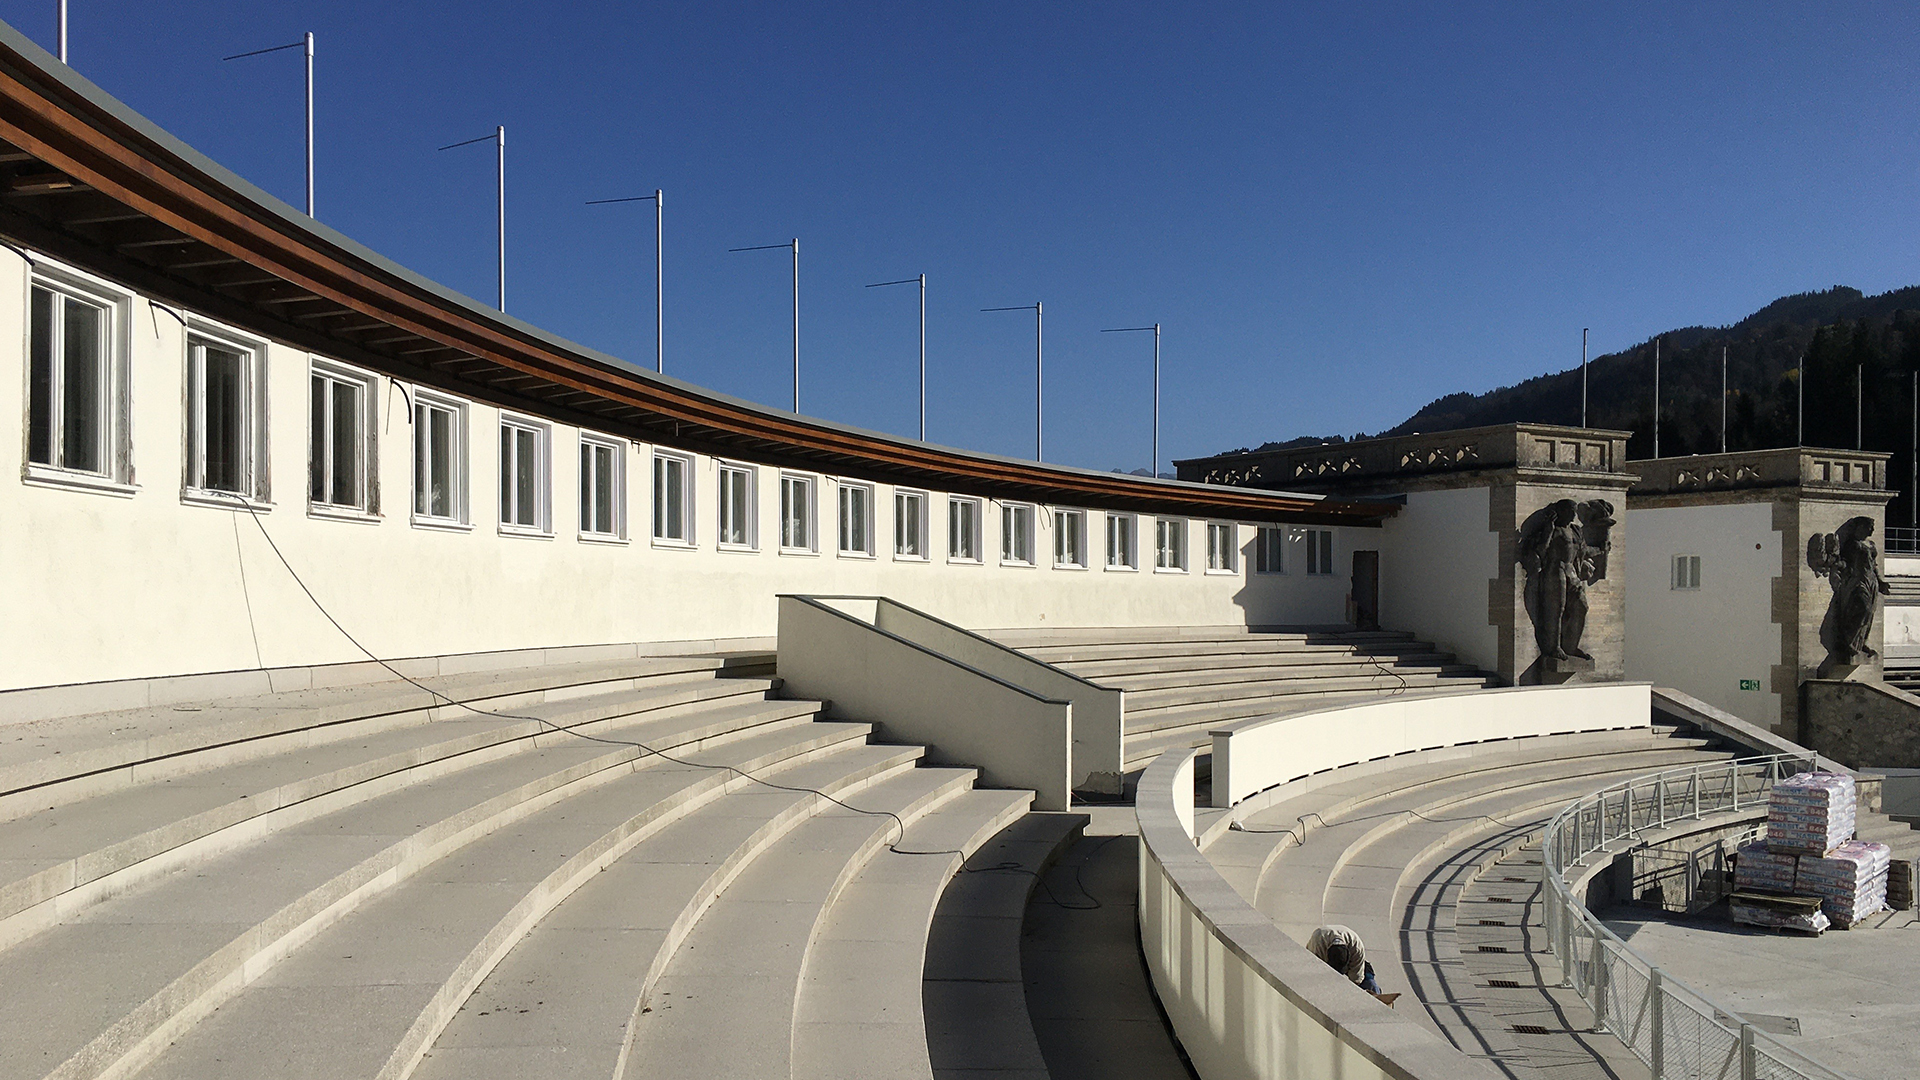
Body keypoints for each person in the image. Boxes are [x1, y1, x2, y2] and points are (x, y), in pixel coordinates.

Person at [1306, 924, 1379, 994]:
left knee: (1370, 984)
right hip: (1322, 942)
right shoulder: (1317, 944)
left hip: (1351, 951)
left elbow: (1356, 979)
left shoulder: (1356, 947)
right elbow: (1314, 973)